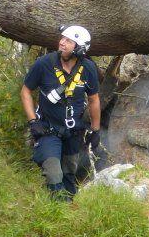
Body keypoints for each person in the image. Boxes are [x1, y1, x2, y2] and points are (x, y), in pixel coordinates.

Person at [21, 25, 101, 200]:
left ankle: (69, 209)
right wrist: (33, 121)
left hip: (73, 132)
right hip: (48, 129)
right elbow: (26, 91)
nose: (62, 42)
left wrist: (95, 130)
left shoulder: (88, 68)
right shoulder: (44, 64)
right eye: (62, 38)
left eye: (68, 41)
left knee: (69, 174)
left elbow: (94, 99)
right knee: (53, 174)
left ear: (79, 48)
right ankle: (57, 210)